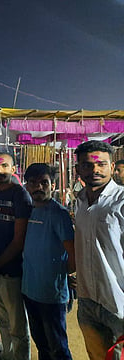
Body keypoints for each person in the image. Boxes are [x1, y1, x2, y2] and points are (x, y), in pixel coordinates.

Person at [0, 152, 32, 360]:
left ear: (13, 169)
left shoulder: (19, 195)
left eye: (4, 166)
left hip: (11, 272)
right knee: (2, 323)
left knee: (18, 327)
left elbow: (19, 240)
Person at [74, 140, 124, 360]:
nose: (95, 169)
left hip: (118, 304)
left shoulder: (121, 202)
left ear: (111, 167)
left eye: (101, 164)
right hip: (87, 300)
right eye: (87, 165)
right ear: (78, 170)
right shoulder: (80, 202)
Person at [22, 163, 75, 360]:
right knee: (42, 345)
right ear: (27, 186)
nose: (39, 187)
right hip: (29, 290)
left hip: (51, 295)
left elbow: (73, 256)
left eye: (44, 182)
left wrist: (58, 275)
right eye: (33, 183)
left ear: (52, 185)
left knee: (58, 348)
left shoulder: (59, 214)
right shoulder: (28, 211)